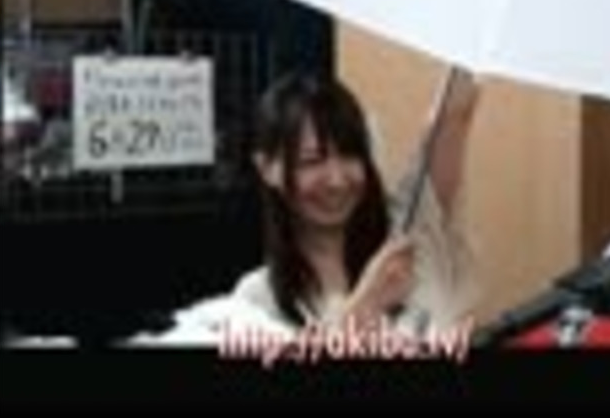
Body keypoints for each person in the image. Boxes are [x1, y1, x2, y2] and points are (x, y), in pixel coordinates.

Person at [131, 67, 481, 346]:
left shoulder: (412, 233)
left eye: (350, 155)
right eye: (312, 161)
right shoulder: (257, 301)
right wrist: (365, 305)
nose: (337, 179)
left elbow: (451, 115)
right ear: (267, 168)